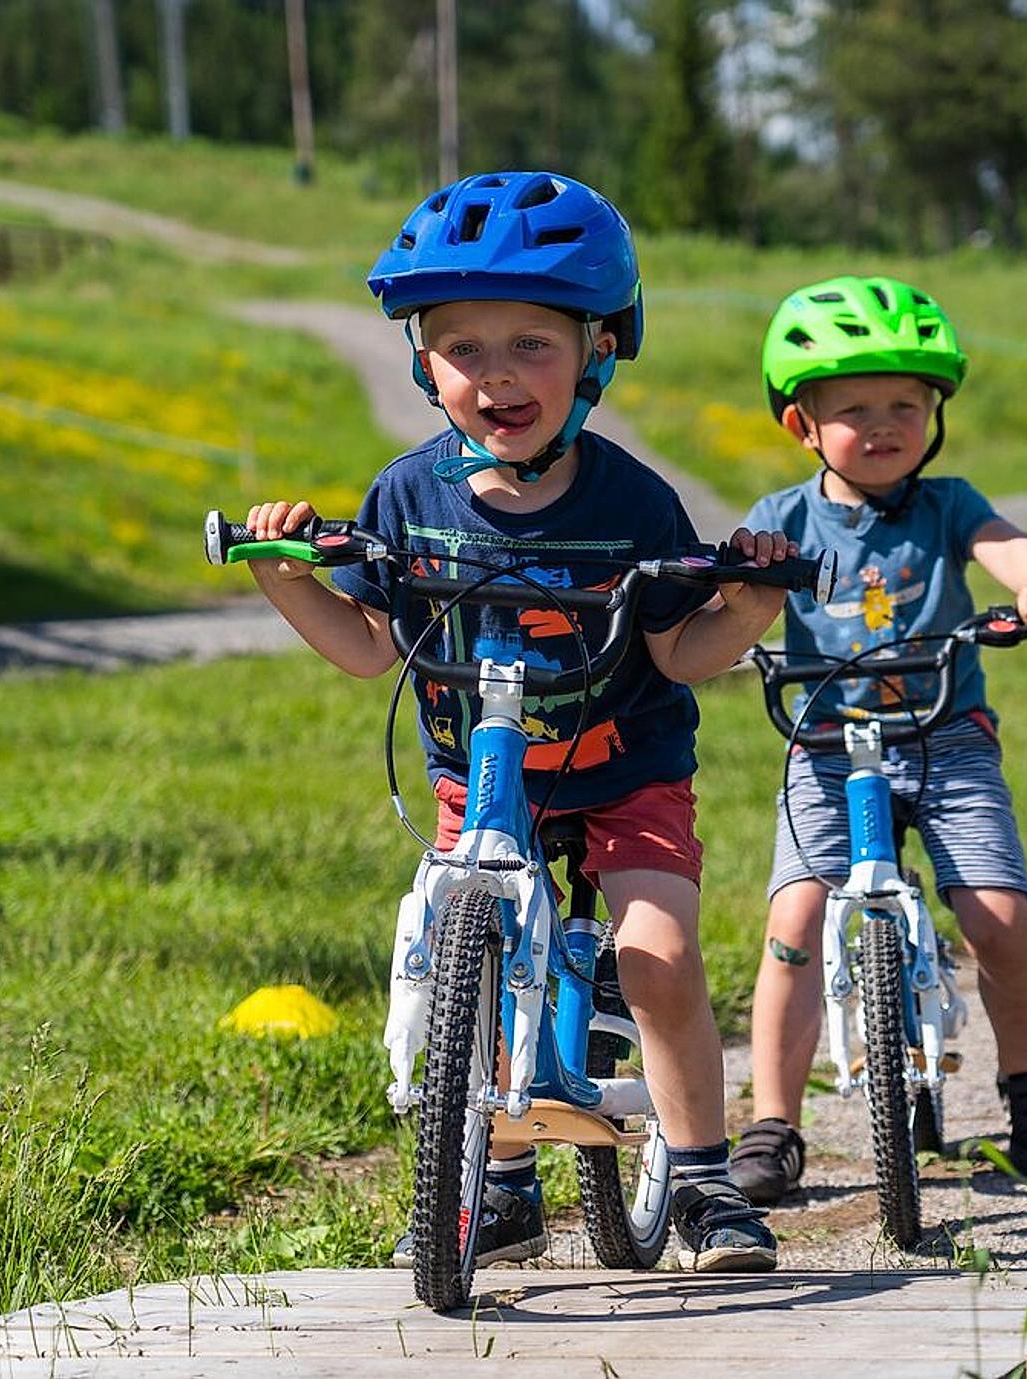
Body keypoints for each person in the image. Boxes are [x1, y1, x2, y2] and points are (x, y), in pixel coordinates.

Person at [241, 171, 793, 1272]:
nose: (496, 373)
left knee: (657, 948)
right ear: (421, 360)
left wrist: (752, 600)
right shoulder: (407, 497)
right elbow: (367, 648)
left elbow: (679, 654)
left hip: (623, 765)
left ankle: (700, 1175)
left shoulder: (632, 502)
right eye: (461, 346)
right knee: (473, 947)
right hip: (477, 773)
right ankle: (493, 1185)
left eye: (531, 344)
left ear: (597, 351)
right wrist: (280, 573)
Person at [728, 275, 1027, 1207]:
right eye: (853, 409)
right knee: (795, 924)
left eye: (906, 405)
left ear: (935, 413)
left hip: (946, 738)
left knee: (999, 917)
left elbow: (1012, 546)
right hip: (825, 744)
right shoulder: (782, 520)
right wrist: (727, 589)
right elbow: (735, 584)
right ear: (801, 424)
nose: (883, 424)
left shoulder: (950, 505)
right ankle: (774, 1119)